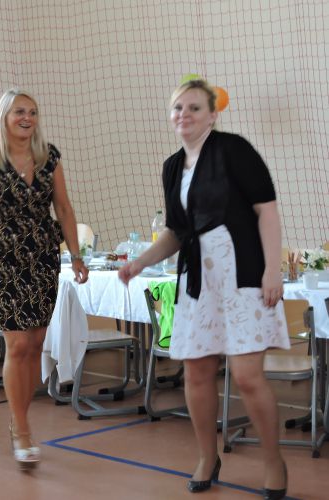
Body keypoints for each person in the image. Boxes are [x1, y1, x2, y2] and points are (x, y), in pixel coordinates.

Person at [119, 79, 289, 498]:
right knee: (196, 373)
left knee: (248, 377)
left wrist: (272, 270)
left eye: (194, 108)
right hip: (198, 281)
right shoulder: (172, 167)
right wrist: (140, 262)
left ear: (212, 115)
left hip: (244, 274)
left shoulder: (235, 150)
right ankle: (206, 456)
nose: (185, 115)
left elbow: (266, 211)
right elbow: (177, 232)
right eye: (178, 108)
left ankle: (274, 462)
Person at [0, 88, 88, 470]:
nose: (27, 118)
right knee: (17, 345)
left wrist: (75, 254)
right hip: (3, 261)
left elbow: (63, 208)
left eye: (32, 112)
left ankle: (21, 415)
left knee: (35, 344)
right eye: (19, 111)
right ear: (4, 117)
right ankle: (21, 427)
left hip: (43, 259)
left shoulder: (49, 157)